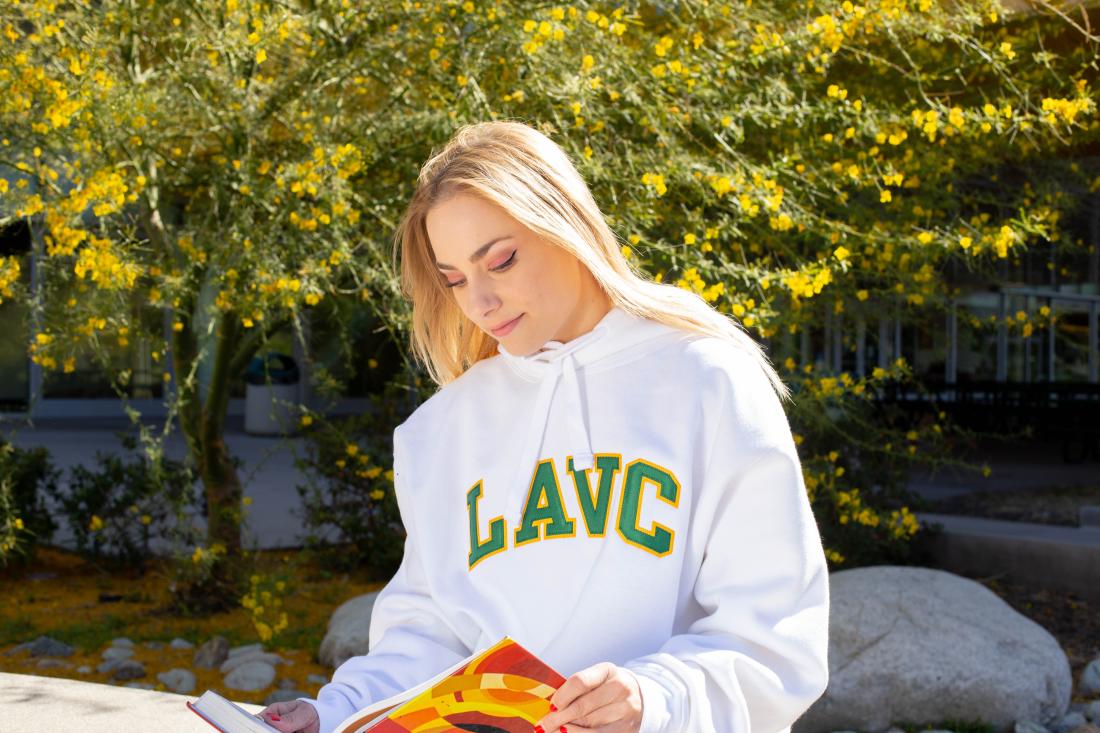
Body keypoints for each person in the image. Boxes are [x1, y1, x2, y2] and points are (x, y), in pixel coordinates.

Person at [256, 120, 829, 733]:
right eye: (454, 280)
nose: (479, 303)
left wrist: (650, 699)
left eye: (500, 261)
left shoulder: (708, 381)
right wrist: (333, 713)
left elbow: (775, 641)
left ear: (565, 224)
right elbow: (427, 636)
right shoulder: (441, 431)